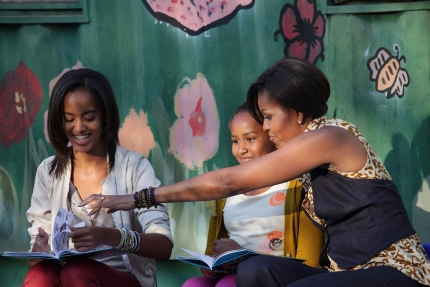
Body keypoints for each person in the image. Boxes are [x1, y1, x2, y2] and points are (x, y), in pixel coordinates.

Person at [81, 58, 430, 286]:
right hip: (345, 274)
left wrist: (137, 199)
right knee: (255, 271)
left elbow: (227, 181)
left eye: (268, 116)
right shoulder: (307, 155)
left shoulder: (330, 136)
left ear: (297, 112)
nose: (265, 127)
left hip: (393, 270)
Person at [23, 68, 173, 287]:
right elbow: (35, 260)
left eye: (89, 117)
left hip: (123, 280)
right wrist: (39, 251)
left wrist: (110, 236)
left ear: (105, 117)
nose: (79, 127)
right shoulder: (48, 171)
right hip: (67, 276)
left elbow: (163, 245)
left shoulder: (135, 168)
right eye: (69, 119)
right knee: (39, 276)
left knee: (77, 273)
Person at [181, 103, 324, 287]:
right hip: (229, 275)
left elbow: (310, 264)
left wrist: (241, 254)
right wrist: (211, 264)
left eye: (250, 139)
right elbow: (212, 251)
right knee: (194, 284)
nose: (241, 149)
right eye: (235, 141)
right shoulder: (225, 193)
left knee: (228, 284)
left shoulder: (297, 187)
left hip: (272, 278)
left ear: (272, 137)